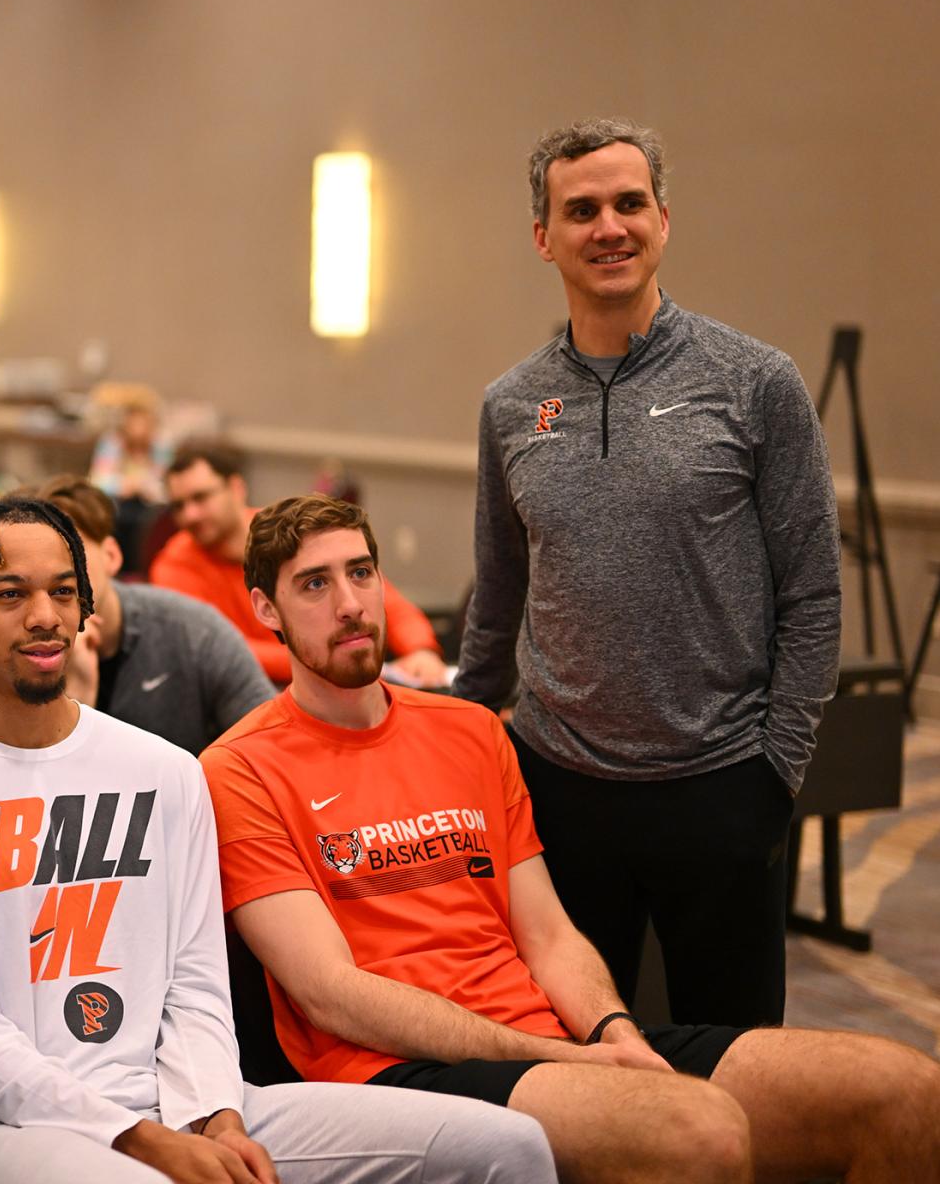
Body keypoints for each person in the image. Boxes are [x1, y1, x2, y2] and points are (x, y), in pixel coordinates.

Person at [202, 494, 940, 1183]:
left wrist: (613, 1032)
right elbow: (332, 997)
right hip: (395, 1069)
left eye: (360, 573)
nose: (350, 604)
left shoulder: (469, 729)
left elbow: (548, 934)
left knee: (905, 1091)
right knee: (699, 1131)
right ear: (265, 607)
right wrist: (556, 1055)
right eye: (314, 585)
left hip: (551, 1041)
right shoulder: (239, 768)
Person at [0, 496, 555, 1184]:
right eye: (9, 594)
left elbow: (196, 988)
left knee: (506, 1146)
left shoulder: (165, 772)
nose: (45, 617)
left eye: (65, 592)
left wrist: (215, 1117)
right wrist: (142, 1140)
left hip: (189, 1102)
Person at [452, 118, 843, 1028]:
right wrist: (472, 740)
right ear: (544, 238)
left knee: (737, 1061)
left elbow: (814, 596)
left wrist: (774, 772)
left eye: (630, 204)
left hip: (721, 784)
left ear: (664, 220)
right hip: (557, 790)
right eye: (580, 210)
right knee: (579, 1055)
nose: (609, 227)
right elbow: (498, 594)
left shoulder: (757, 382)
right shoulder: (511, 404)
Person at [151, 441, 448, 689]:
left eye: (201, 497)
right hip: (266, 689)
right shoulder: (174, 566)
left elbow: (386, 601)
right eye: (178, 505)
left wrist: (420, 649)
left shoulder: (289, 536)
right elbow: (222, 651)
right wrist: (328, 656)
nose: (190, 515)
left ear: (236, 488)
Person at [18, 474, 274, 755]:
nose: (55, 581)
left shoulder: (194, 632)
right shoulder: (8, 649)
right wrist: (74, 700)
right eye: (26, 576)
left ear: (112, 556)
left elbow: (271, 748)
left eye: (69, 554)